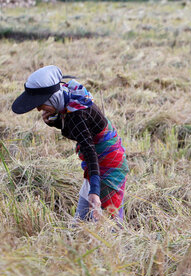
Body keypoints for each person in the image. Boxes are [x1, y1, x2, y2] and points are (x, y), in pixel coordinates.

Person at [12, 65, 128, 222]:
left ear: (52, 97)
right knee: (80, 224)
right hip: (99, 164)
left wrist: (95, 191)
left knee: (109, 225)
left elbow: (90, 152)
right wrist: (53, 121)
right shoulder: (71, 95)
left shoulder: (76, 115)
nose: (39, 109)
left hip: (106, 166)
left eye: (40, 103)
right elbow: (80, 129)